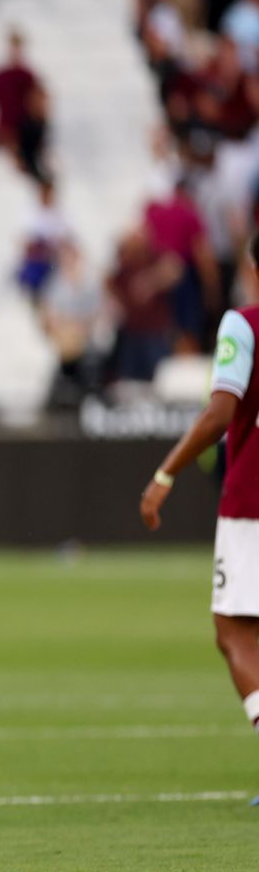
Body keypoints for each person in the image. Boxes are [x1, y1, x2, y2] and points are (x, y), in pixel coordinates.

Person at [140, 234, 259, 782]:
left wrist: (166, 473)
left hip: (250, 502)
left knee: (233, 631)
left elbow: (219, 414)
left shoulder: (244, 323)